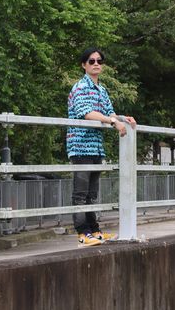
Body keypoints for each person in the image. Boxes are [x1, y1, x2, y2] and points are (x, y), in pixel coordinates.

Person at [67, 47, 136, 246]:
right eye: (91, 61)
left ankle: (95, 231)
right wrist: (114, 122)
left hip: (96, 147)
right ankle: (82, 233)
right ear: (84, 64)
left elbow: (109, 112)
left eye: (99, 61)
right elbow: (87, 113)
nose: (96, 63)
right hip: (80, 146)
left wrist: (123, 118)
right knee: (80, 193)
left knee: (92, 193)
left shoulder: (102, 89)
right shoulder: (79, 87)